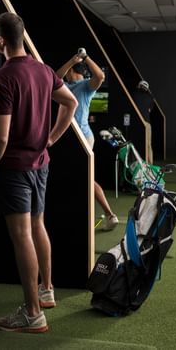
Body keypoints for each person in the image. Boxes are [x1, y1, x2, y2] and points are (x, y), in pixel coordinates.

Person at [0, 12, 77, 333]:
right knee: (38, 224)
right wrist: (50, 138)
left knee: (22, 235)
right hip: (41, 164)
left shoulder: (3, 78)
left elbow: (0, 136)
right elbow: (71, 105)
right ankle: (46, 290)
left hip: (14, 167)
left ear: (1, 39)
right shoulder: (44, 70)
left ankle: (33, 313)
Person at [56, 50, 119, 231]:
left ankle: (110, 215)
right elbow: (54, 77)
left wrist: (86, 58)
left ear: (72, 71)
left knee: (86, 178)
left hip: (84, 138)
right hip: (68, 139)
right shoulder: (65, 87)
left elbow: (100, 76)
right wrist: (71, 60)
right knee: (78, 178)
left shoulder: (86, 86)